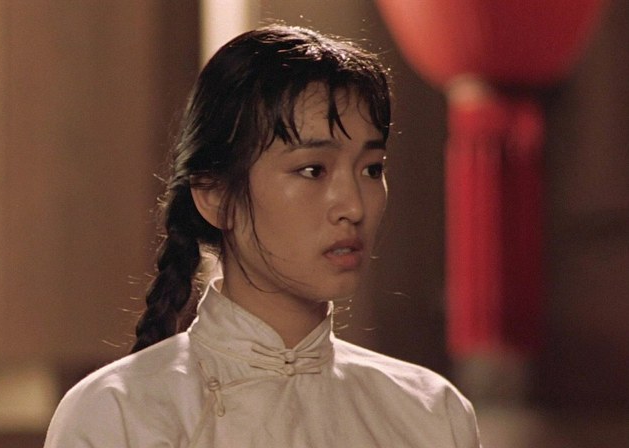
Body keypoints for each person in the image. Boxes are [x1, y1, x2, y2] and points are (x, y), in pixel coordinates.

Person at [44, 24, 481, 447]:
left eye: (371, 169)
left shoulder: (429, 413)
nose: (353, 207)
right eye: (313, 170)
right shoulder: (118, 414)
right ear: (215, 195)